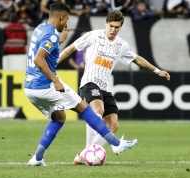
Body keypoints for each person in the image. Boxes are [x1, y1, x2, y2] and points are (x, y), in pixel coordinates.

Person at [24, 2, 138, 167]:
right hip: (45, 85)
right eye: (67, 19)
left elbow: (45, 53)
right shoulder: (52, 35)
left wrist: (59, 41)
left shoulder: (40, 28)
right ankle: (115, 143)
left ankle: (37, 158)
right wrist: (55, 80)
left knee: (59, 118)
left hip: (29, 86)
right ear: (62, 17)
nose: (66, 23)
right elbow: (38, 59)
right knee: (84, 108)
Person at [58, 10, 170, 164]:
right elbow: (70, 49)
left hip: (104, 87)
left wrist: (157, 71)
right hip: (89, 82)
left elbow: (137, 59)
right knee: (98, 111)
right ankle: (88, 152)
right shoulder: (93, 36)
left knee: (113, 125)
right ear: (106, 23)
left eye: (117, 27)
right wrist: (53, 63)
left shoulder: (121, 45)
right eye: (111, 26)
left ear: (120, 27)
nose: (113, 30)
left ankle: (84, 155)